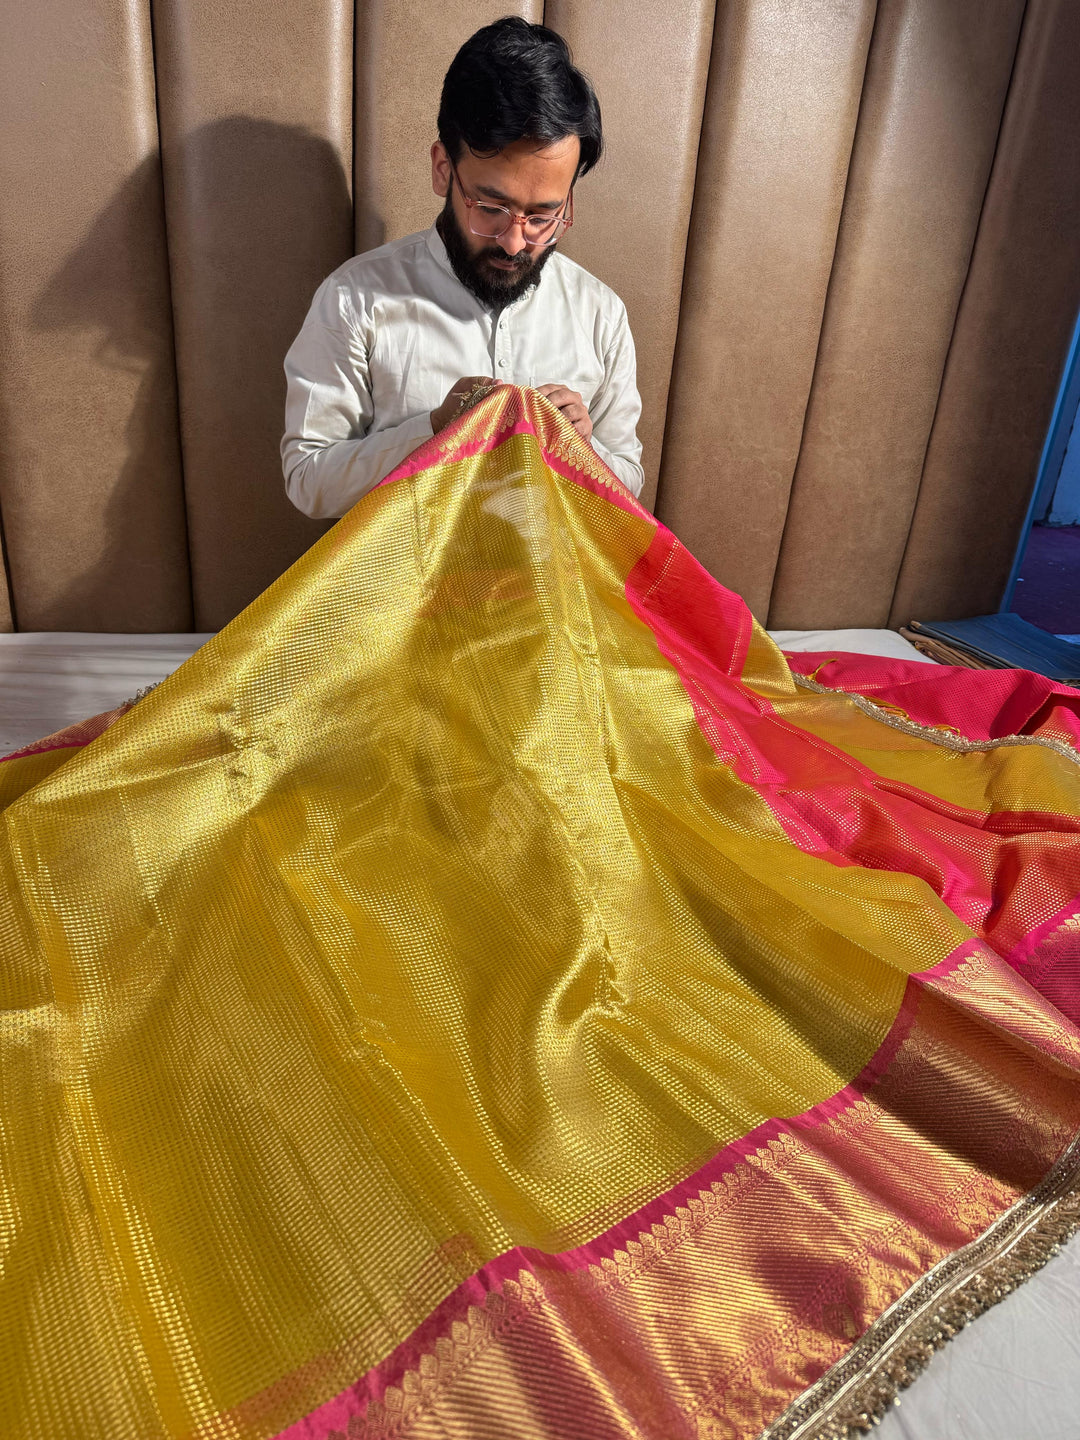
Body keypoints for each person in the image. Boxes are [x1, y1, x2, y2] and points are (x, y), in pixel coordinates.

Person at [280, 16, 644, 518]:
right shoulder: (354, 301)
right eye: (491, 207)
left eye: (543, 215)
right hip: (405, 593)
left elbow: (628, 483)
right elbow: (308, 482)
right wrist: (430, 430)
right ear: (443, 169)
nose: (516, 242)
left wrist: (583, 451)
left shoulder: (601, 314)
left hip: (552, 592)